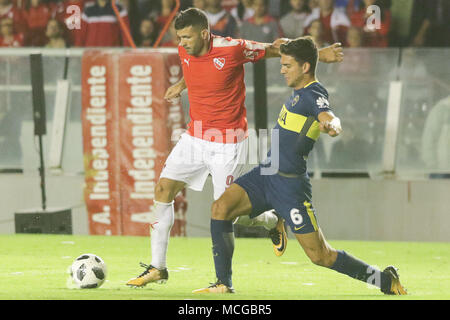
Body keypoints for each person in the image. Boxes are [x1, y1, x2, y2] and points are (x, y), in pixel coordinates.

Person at [125, 8, 344, 288]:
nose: (182, 43)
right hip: (195, 136)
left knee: (229, 212)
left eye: (187, 37)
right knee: (162, 190)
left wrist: (318, 53)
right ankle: (158, 267)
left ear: (204, 33)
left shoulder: (233, 49)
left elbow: (275, 48)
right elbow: (194, 67)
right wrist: (181, 85)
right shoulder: (185, 49)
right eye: (179, 38)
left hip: (228, 143)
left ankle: (270, 220)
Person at [192, 36, 407, 295]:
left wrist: (332, 124)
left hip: (290, 186)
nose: (282, 70)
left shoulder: (313, 94)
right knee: (221, 207)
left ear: (304, 68)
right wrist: (320, 52)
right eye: (282, 65)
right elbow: (300, 47)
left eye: (287, 66)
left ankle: (384, 280)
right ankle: (224, 283)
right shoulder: (299, 91)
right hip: (266, 173)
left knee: (321, 255)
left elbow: (328, 115)